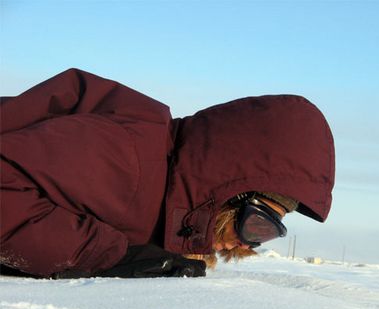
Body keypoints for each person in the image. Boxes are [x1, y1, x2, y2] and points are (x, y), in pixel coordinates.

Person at [0, 68, 335, 279]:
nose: (246, 243)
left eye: (265, 234)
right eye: (254, 225)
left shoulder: (161, 191)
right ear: (230, 191)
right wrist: (109, 254)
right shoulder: (129, 158)